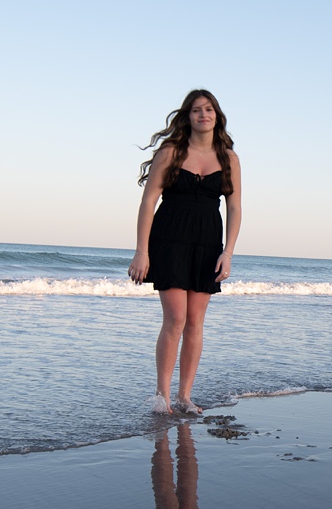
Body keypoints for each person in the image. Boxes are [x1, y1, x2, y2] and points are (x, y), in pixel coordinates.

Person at [128, 89, 241, 415]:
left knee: (195, 322)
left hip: (207, 244)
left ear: (216, 115)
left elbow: (235, 208)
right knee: (175, 318)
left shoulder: (229, 159)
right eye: (196, 110)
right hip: (169, 240)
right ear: (187, 116)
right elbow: (149, 202)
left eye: (208, 110)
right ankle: (162, 397)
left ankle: (185, 397)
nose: (203, 115)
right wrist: (142, 252)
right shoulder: (171, 152)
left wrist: (228, 253)